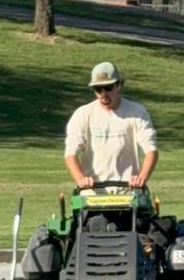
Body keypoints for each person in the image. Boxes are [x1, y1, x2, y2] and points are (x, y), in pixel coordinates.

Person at [64, 62, 158, 190]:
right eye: (98, 89)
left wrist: (141, 178)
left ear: (119, 85)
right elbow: (70, 152)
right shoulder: (83, 114)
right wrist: (81, 179)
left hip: (128, 191)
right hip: (92, 192)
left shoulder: (137, 112)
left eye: (108, 87)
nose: (103, 93)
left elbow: (151, 150)